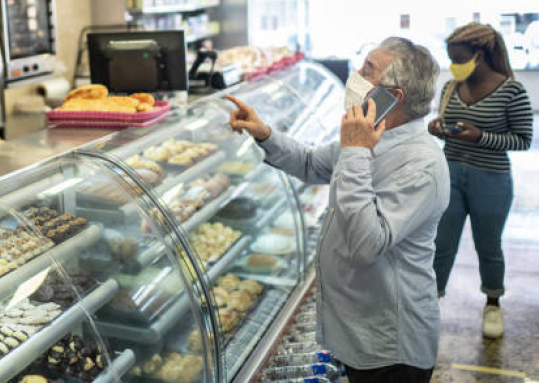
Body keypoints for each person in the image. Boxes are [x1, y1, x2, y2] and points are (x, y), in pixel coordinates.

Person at [228, 37, 449, 383]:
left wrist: (357, 152)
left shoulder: (422, 165)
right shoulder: (375, 134)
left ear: (394, 96)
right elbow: (311, 163)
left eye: (367, 71)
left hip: (390, 346)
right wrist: (266, 134)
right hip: (357, 329)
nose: (355, 77)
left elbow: (367, 245)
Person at [428, 22, 533, 339]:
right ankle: (429, 305)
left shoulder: (512, 91)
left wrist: (481, 137)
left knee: (488, 246)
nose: (455, 67)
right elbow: (444, 123)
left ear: (481, 54)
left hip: (491, 178)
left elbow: (523, 140)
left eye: (460, 59)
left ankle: (492, 303)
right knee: (441, 244)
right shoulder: (450, 88)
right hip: (451, 174)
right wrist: (437, 128)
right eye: (451, 60)